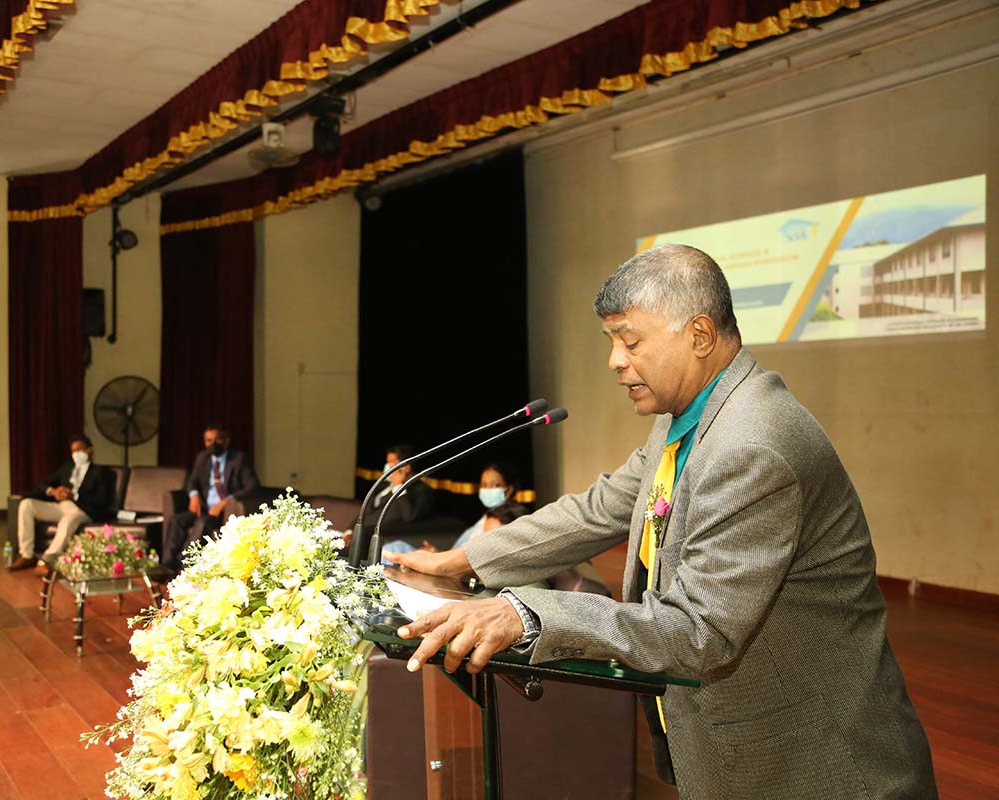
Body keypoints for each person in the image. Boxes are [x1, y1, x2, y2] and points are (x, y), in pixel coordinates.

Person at [386, 244, 936, 799]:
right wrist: (459, 561)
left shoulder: (754, 445)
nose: (615, 361)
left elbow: (699, 628)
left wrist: (528, 614)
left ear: (698, 336)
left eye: (630, 340)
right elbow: (598, 510)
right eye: (611, 343)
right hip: (740, 753)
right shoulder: (691, 416)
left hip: (817, 770)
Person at [10, 434, 116, 576]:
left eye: (80, 450)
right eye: (73, 451)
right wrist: (53, 491)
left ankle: (46, 561)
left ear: (90, 450)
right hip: (62, 506)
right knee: (26, 504)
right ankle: (26, 555)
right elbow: (42, 483)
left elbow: (102, 500)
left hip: (83, 510)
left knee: (67, 521)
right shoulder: (67, 468)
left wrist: (75, 496)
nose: (76, 454)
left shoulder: (101, 472)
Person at [160, 425, 260, 574]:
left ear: (226, 440)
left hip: (225, 511)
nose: (213, 444)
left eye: (218, 439)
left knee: (203, 523)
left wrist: (225, 502)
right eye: (209, 440)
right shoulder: (203, 458)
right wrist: (194, 495)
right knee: (176, 520)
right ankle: (167, 565)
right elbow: (192, 481)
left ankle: (185, 563)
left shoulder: (239, 459)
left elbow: (252, 485)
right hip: (205, 507)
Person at [386, 462, 526, 555]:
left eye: (494, 485)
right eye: (484, 484)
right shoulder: (486, 516)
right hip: (447, 561)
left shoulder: (508, 518)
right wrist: (437, 552)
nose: (487, 489)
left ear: (508, 490)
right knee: (394, 548)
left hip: (455, 572)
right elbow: (460, 551)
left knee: (393, 550)